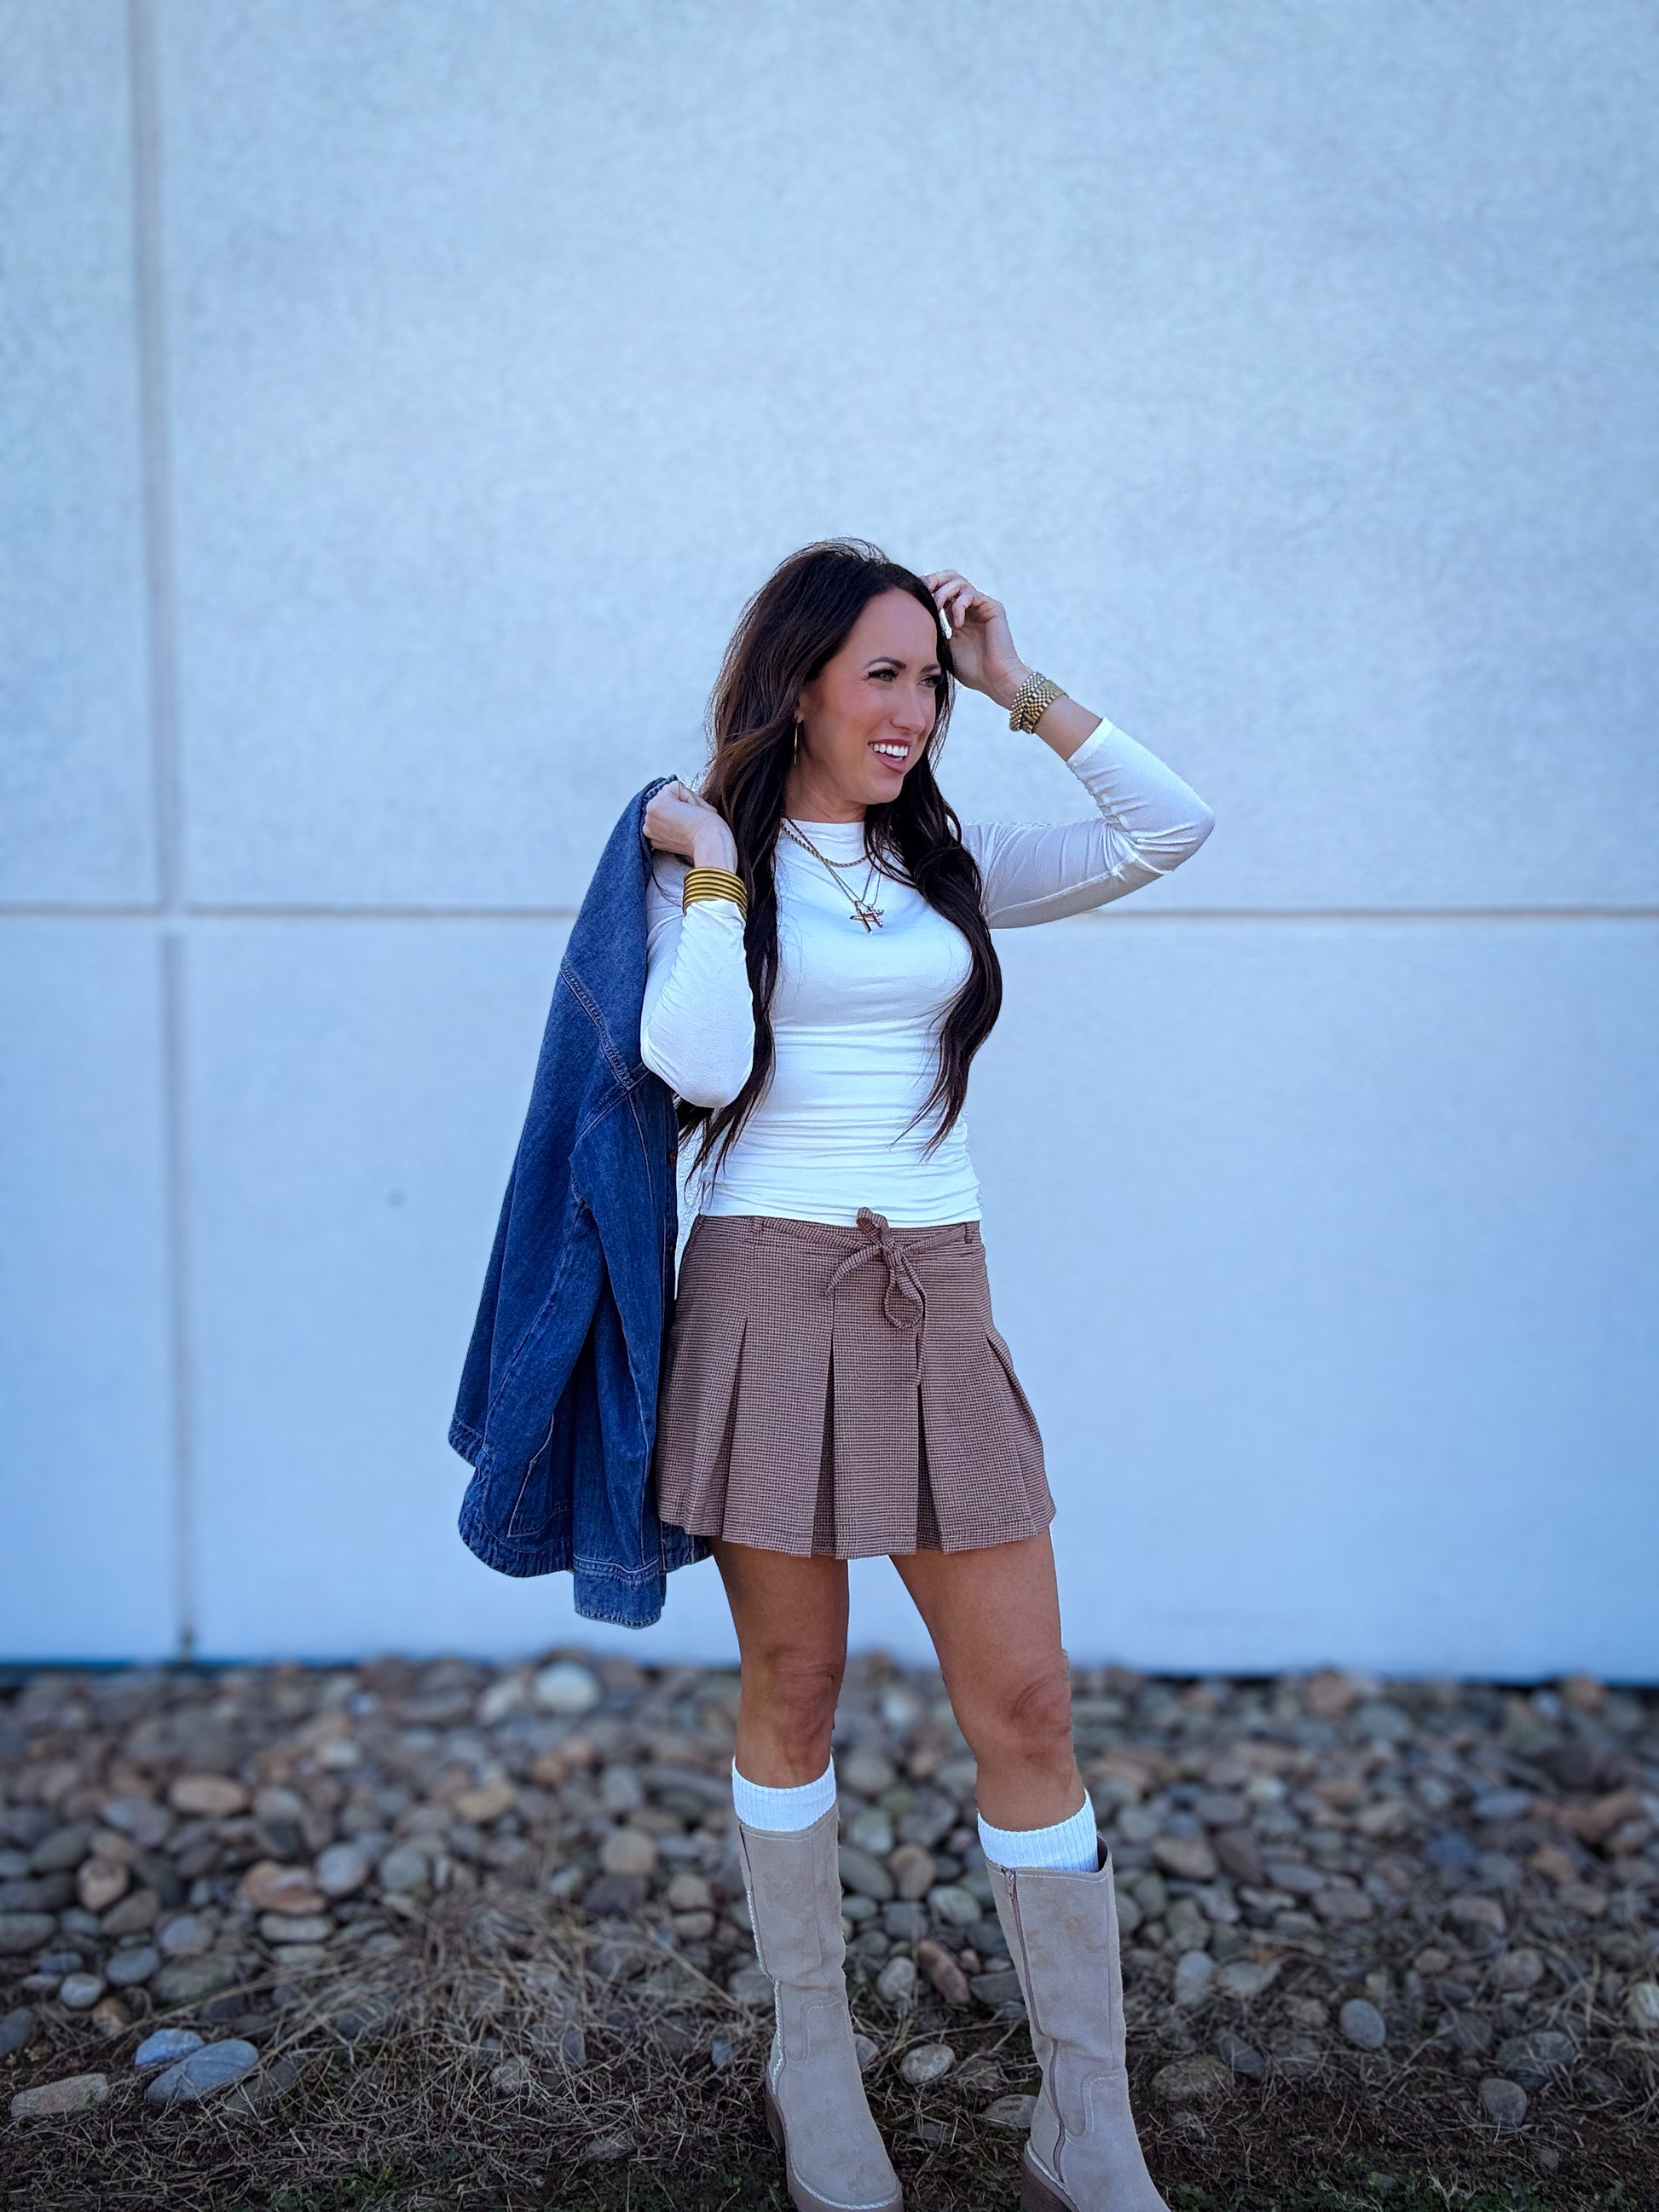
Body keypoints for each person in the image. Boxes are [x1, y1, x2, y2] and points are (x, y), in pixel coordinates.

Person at [639, 538, 1215, 2212]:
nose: (913, 709)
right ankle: (813, 2070)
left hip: (936, 1295)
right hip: (764, 1286)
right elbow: (689, 1062)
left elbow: (1166, 828)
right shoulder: (705, 853)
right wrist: (720, 874)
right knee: (795, 1695)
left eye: (929, 679)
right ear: (800, 680)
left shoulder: (947, 864)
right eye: (881, 674)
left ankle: (1084, 2124)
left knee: (1027, 1703)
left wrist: (1024, 685)